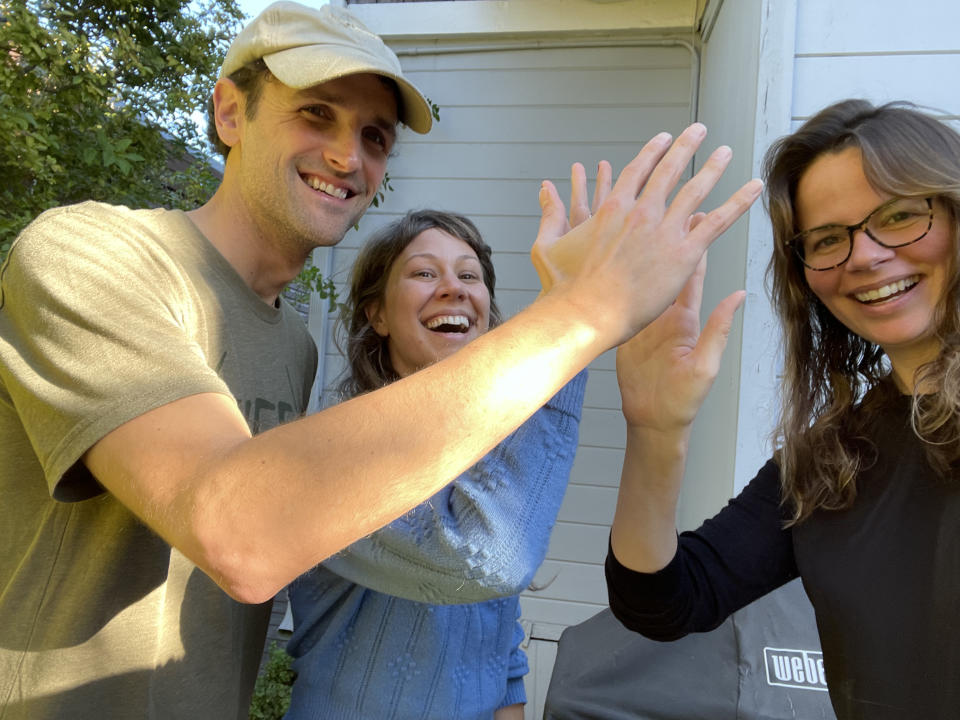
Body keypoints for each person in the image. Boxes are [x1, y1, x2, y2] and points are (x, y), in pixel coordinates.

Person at [0, 0, 762, 717]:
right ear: (230, 111)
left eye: (374, 136)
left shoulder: (287, 343)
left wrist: (650, 414)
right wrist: (583, 316)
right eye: (316, 113)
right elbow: (241, 533)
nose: (347, 154)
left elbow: (499, 630)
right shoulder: (93, 254)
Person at [604, 98, 960, 719]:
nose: (865, 255)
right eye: (828, 240)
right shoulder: (832, 461)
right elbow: (664, 601)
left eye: (901, 216)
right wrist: (656, 431)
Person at [283, 209, 592, 720]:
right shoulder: (337, 451)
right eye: (425, 273)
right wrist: (576, 319)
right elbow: (484, 561)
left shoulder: (492, 458)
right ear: (377, 316)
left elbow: (499, 647)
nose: (454, 288)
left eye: (468, 275)